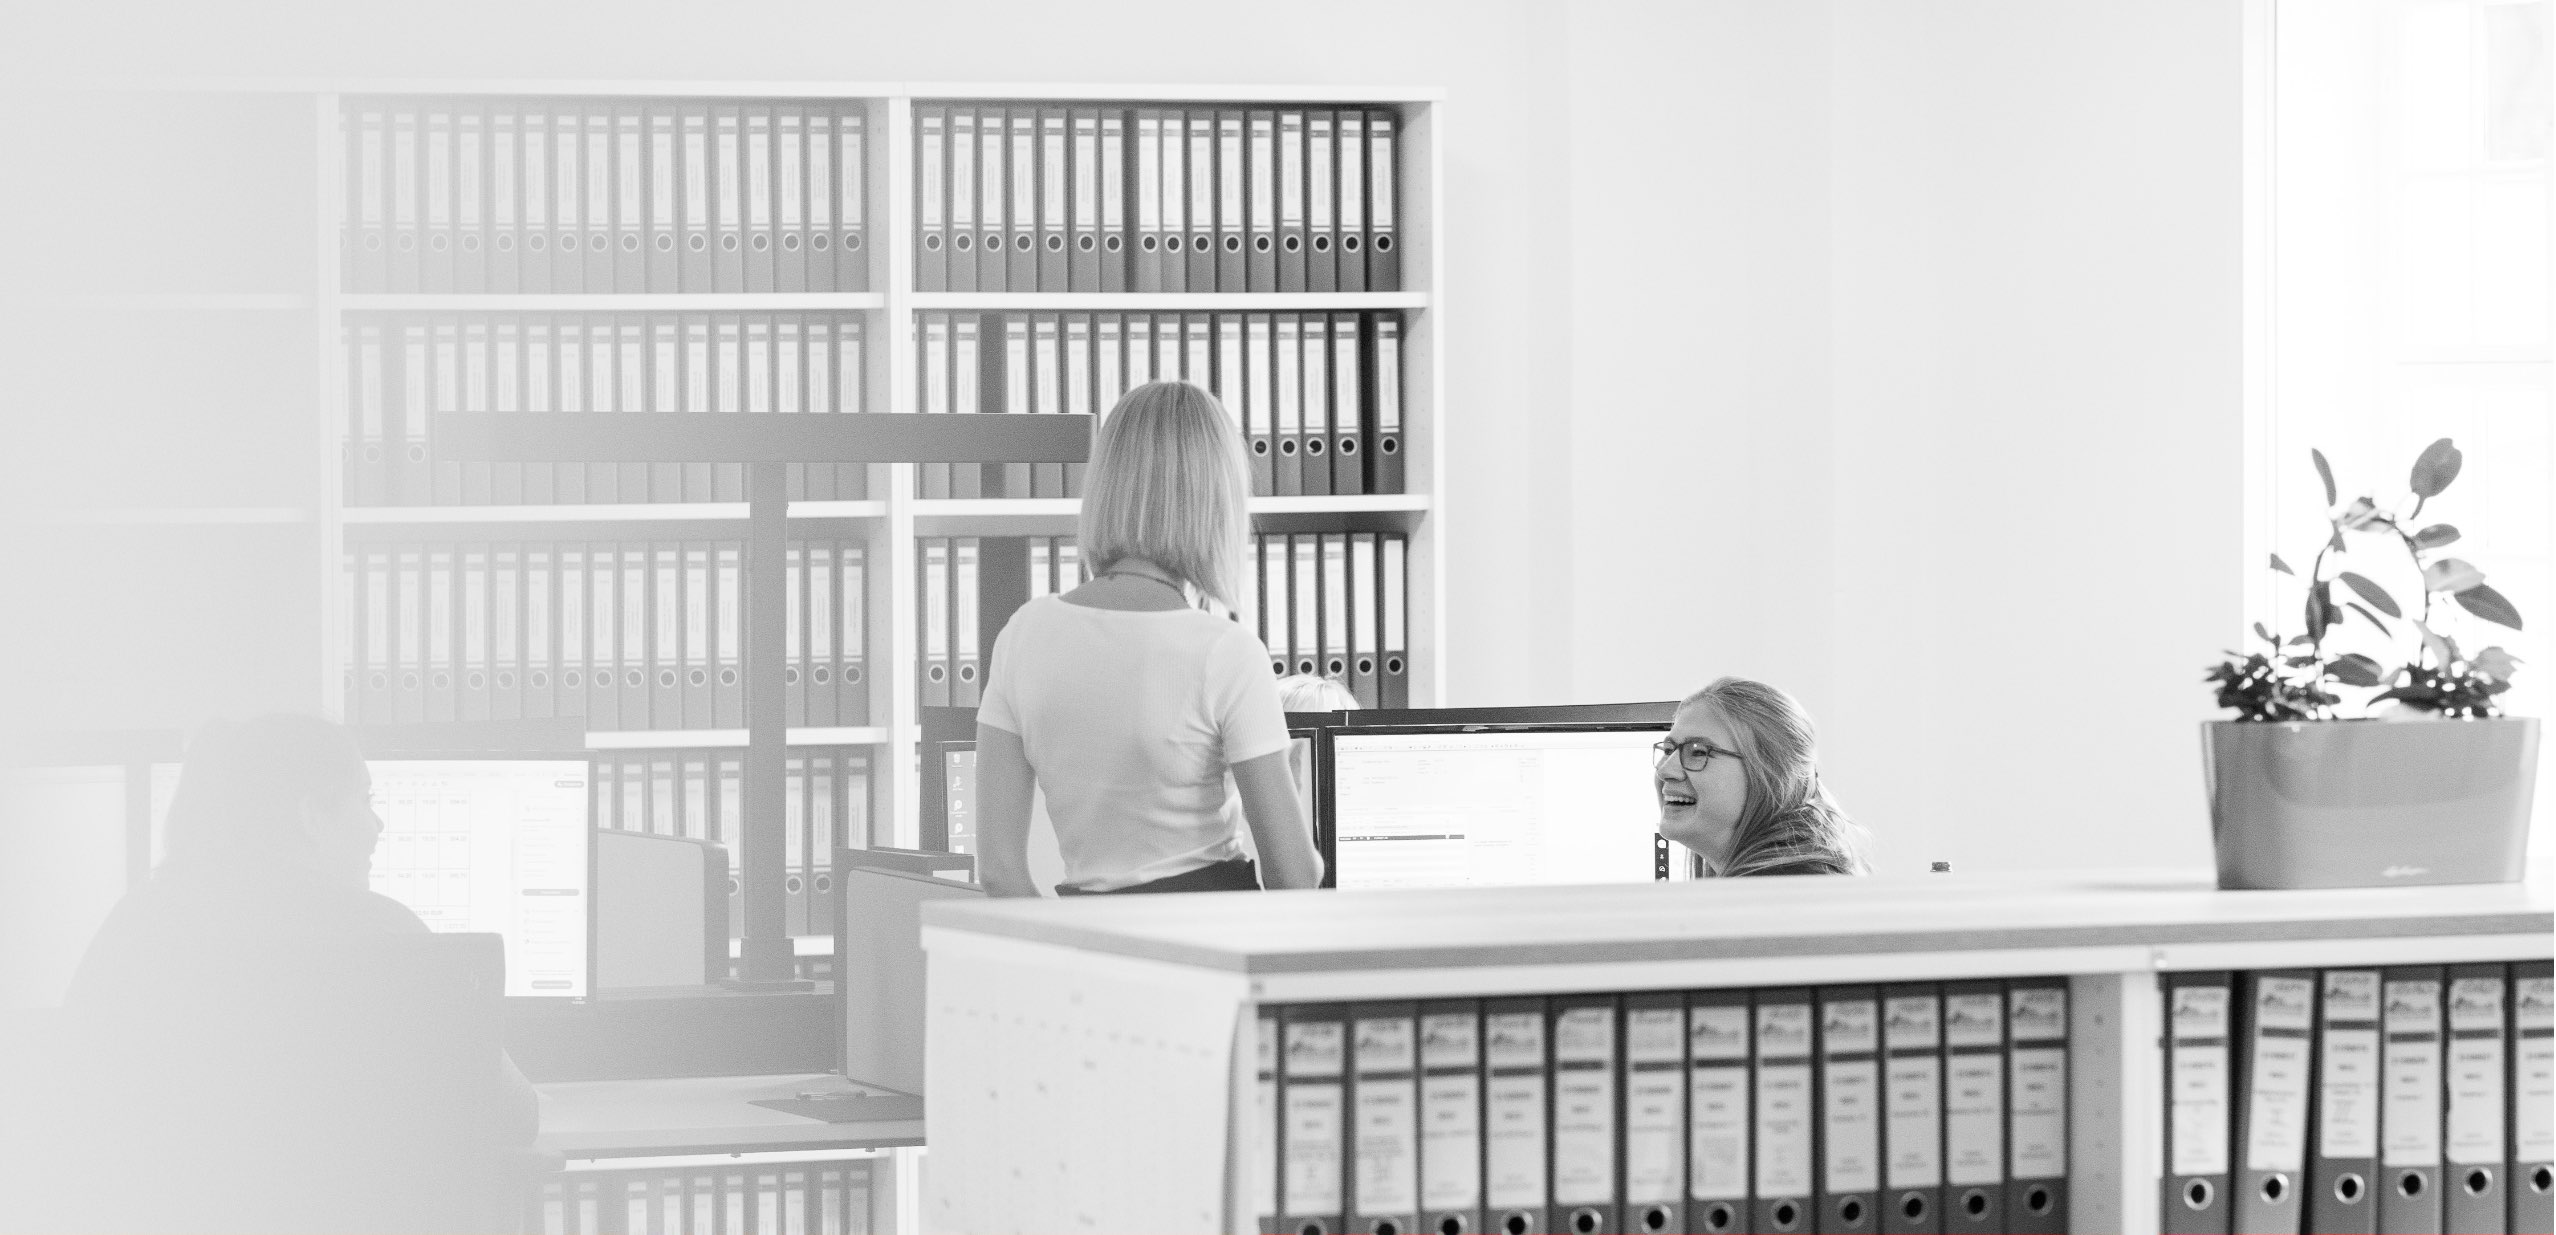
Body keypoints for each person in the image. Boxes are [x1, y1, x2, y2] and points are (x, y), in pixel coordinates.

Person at [34, 714, 538, 1233]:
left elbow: (71, 1110)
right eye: (365, 801)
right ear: (312, 815)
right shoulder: (383, 933)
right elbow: (514, 1114)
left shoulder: (135, 925)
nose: (377, 827)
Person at [976, 381, 1324, 897]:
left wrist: (1066, 959)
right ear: (1215, 503)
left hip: (1088, 959)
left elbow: (1000, 868)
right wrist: (1293, 799)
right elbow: (1294, 879)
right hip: (1211, 953)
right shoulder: (1224, 652)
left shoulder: (1023, 635)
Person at [1654, 677, 1871, 876]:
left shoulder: (1778, 898)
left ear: (1772, 772)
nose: (1665, 771)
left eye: (1698, 751)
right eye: (1668, 750)